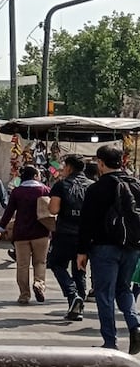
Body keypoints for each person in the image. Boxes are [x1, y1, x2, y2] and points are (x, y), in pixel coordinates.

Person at [77, 145, 140, 352]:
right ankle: (135, 325)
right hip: (131, 247)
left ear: (101, 163)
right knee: (124, 289)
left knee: (104, 294)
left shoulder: (96, 189)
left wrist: (82, 251)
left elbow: (86, 222)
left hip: (104, 248)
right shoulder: (136, 185)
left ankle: (110, 341)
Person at [0, 165, 51, 305]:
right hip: (41, 232)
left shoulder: (17, 192)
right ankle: (39, 283)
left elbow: (8, 212)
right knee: (40, 262)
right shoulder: (45, 190)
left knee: (22, 265)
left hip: (21, 233)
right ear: (35, 176)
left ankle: (24, 295)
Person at [46, 155, 93, 321]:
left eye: (64, 166)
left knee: (56, 263)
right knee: (80, 269)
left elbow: (53, 209)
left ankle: (72, 295)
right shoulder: (92, 186)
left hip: (65, 233)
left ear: (69, 167)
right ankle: (77, 308)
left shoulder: (61, 185)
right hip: (86, 235)